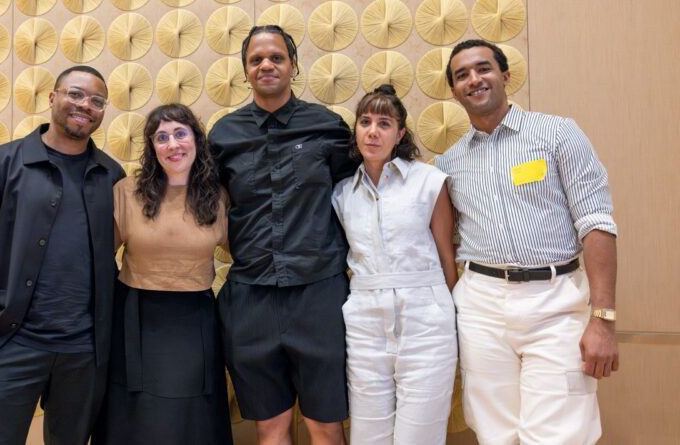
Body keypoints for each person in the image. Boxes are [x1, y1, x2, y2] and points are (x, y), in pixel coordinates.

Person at [436, 39, 619, 444]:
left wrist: (603, 318)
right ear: (453, 91)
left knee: (559, 434)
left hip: (556, 304)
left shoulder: (557, 134)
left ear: (504, 75)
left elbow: (596, 222)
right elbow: (443, 245)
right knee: (494, 432)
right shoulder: (448, 164)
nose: (473, 79)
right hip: (481, 306)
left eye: (483, 68)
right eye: (462, 75)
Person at [0, 66, 125, 445]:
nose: (85, 106)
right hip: (10, 343)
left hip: (83, 351)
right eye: (75, 94)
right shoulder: (0, 164)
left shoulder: (111, 175)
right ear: (52, 98)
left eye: (96, 101)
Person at [209, 25, 357, 445]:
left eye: (276, 57)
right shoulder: (223, 134)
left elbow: (355, 201)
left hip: (320, 293)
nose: (266, 65)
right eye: (256, 60)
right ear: (245, 71)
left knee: (326, 425)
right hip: (251, 294)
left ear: (293, 66)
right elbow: (209, 207)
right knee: (270, 428)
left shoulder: (328, 127)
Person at [93, 104, 233, 445]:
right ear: (152, 147)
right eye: (162, 137)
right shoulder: (127, 192)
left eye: (181, 134)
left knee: (192, 417)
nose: (173, 144)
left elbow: (243, 256)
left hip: (195, 320)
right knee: (137, 415)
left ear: (196, 141)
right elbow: (97, 259)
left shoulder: (217, 197)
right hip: (136, 316)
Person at [332, 85, 458, 445]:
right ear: (355, 129)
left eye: (384, 123)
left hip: (426, 321)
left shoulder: (429, 182)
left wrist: (447, 312)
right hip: (364, 324)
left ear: (400, 133)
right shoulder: (342, 193)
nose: (373, 131)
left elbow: (446, 257)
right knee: (368, 436)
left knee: (419, 436)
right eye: (365, 121)